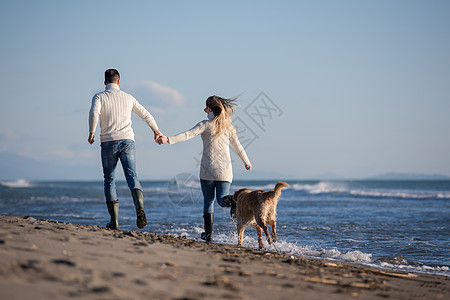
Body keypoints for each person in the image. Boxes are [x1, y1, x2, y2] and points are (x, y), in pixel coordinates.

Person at [159, 95, 252, 242]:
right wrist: (246, 162)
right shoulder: (228, 126)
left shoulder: (205, 124)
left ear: (209, 109)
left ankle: (208, 236)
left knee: (208, 202)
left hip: (207, 171)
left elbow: (187, 134)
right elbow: (238, 147)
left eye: (205, 108)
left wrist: (168, 139)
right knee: (222, 200)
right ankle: (234, 202)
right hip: (224, 171)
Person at [88, 69, 163, 230]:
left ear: (105, 82)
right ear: (119, 82)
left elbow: (94, 113)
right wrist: (156, 131)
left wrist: (92, 132)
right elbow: (146, 114)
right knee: (132, 176)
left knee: (109, 180)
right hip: (128, 141)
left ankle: (114, 222)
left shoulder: (99, 96)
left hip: (108, 141)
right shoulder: (128, 97)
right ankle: (139, 208)